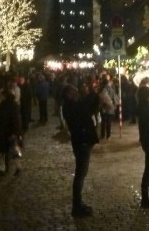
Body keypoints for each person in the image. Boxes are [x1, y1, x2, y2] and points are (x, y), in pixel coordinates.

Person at [61, 82, 100, 218]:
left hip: (82, 140)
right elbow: (85, 106)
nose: (76, 92)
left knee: (82, 174)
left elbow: (91, 108)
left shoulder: (72, 105)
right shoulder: (71, 106)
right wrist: (93, 93)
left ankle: (78, 203)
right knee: (80, 174)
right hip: (81, 141)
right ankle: (76, 206)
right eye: (74, 91)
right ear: (68, 94)